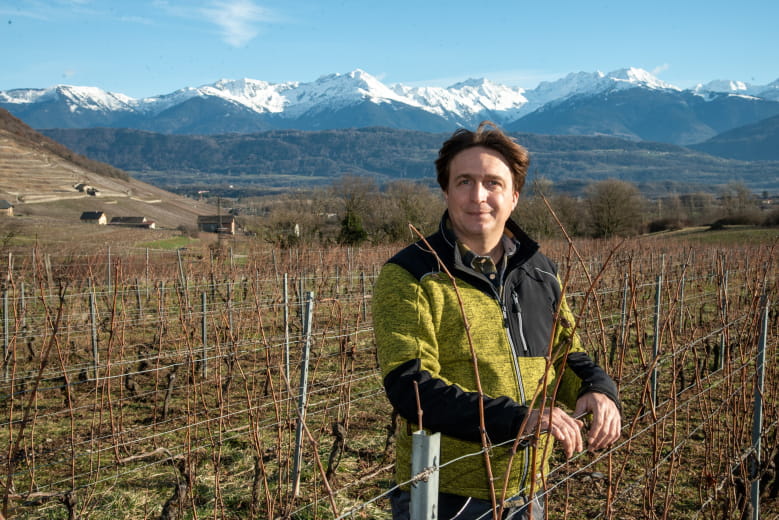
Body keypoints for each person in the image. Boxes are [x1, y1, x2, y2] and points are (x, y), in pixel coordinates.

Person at [373, 121, 622, 519]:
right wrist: (518, 420)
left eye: (493, 183)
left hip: (529, 488)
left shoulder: (540, 272)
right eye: (464, 182)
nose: (478, 197)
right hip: (446, 493)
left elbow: (564, 354)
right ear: (445, 191)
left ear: (514, 196)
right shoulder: (412, 275)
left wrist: (598, 388)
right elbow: (411, 388)